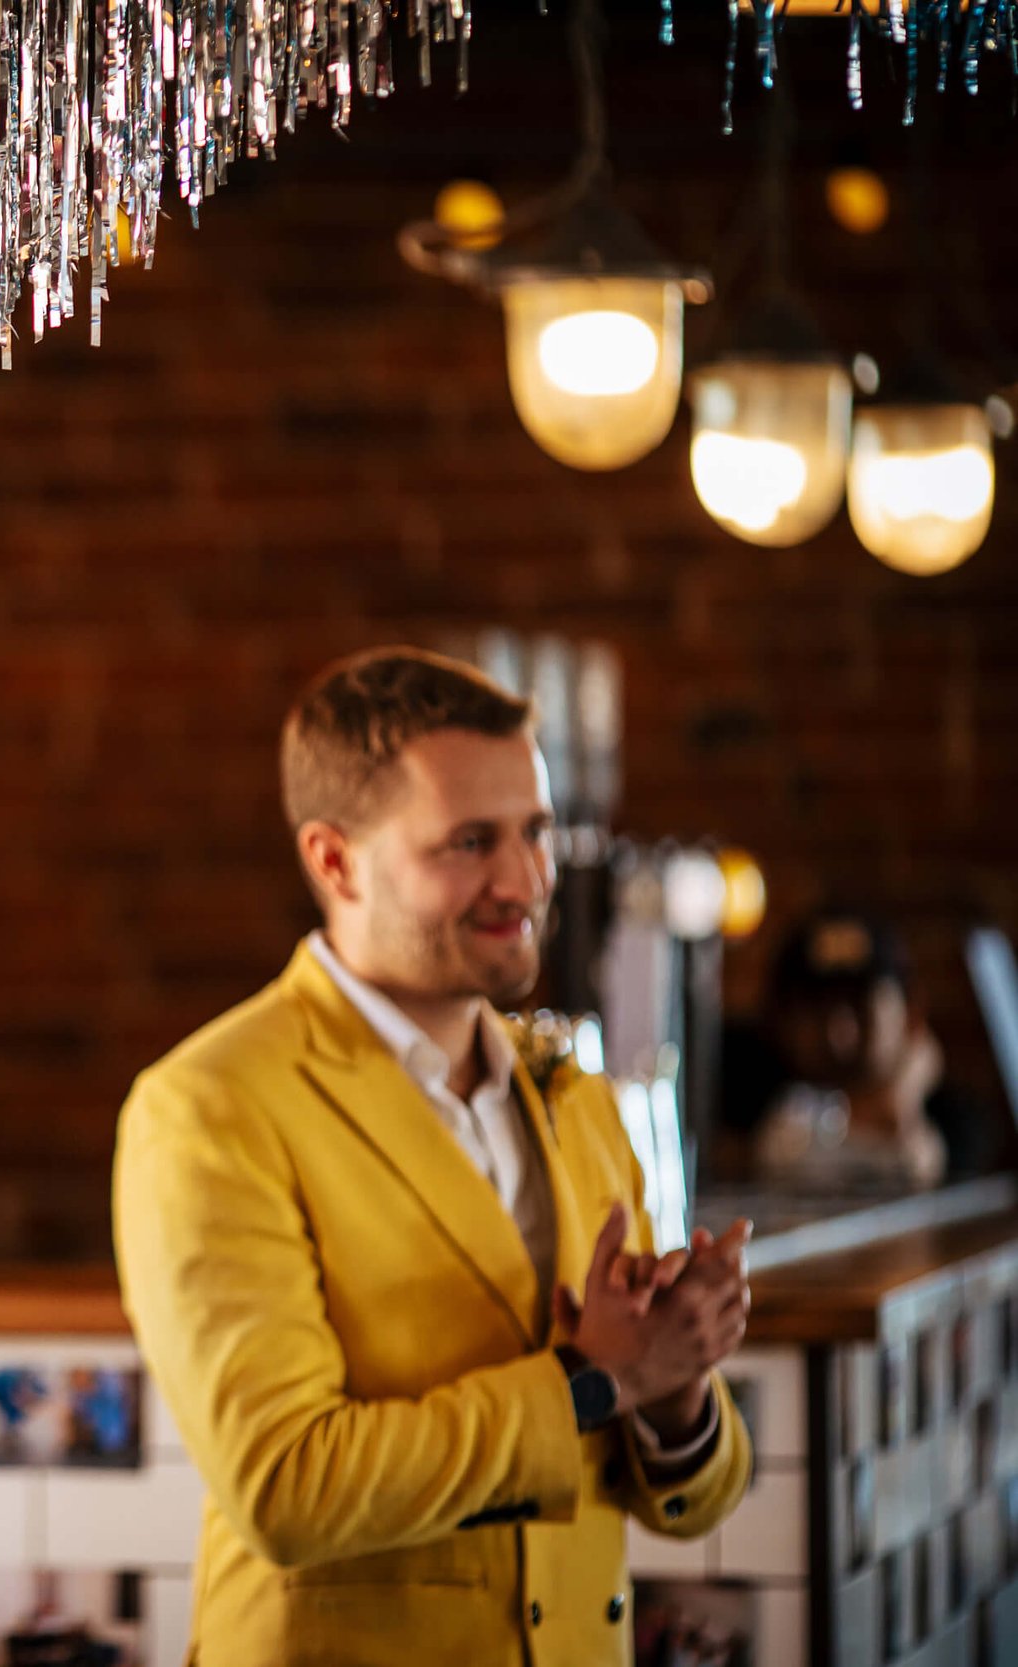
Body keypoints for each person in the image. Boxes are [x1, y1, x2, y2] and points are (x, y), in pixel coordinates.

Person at [114, 646, 755, 1666]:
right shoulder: (211, 1105)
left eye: (535, 830)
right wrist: (593, 1380)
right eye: (469, 841)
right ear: (334, 860)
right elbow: (287, 1484)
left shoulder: (575, 1096)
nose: (525, 879)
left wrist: (675, 1386)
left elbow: (688, 1500)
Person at [719, 909, 999, 1190]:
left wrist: (903, 1098)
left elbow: (915, 1161)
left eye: (860, 1006)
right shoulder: (740, 1085)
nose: (837, 1033)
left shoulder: (952, 1118)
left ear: (910, 1013)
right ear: (779, 1019)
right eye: (816, 1008)